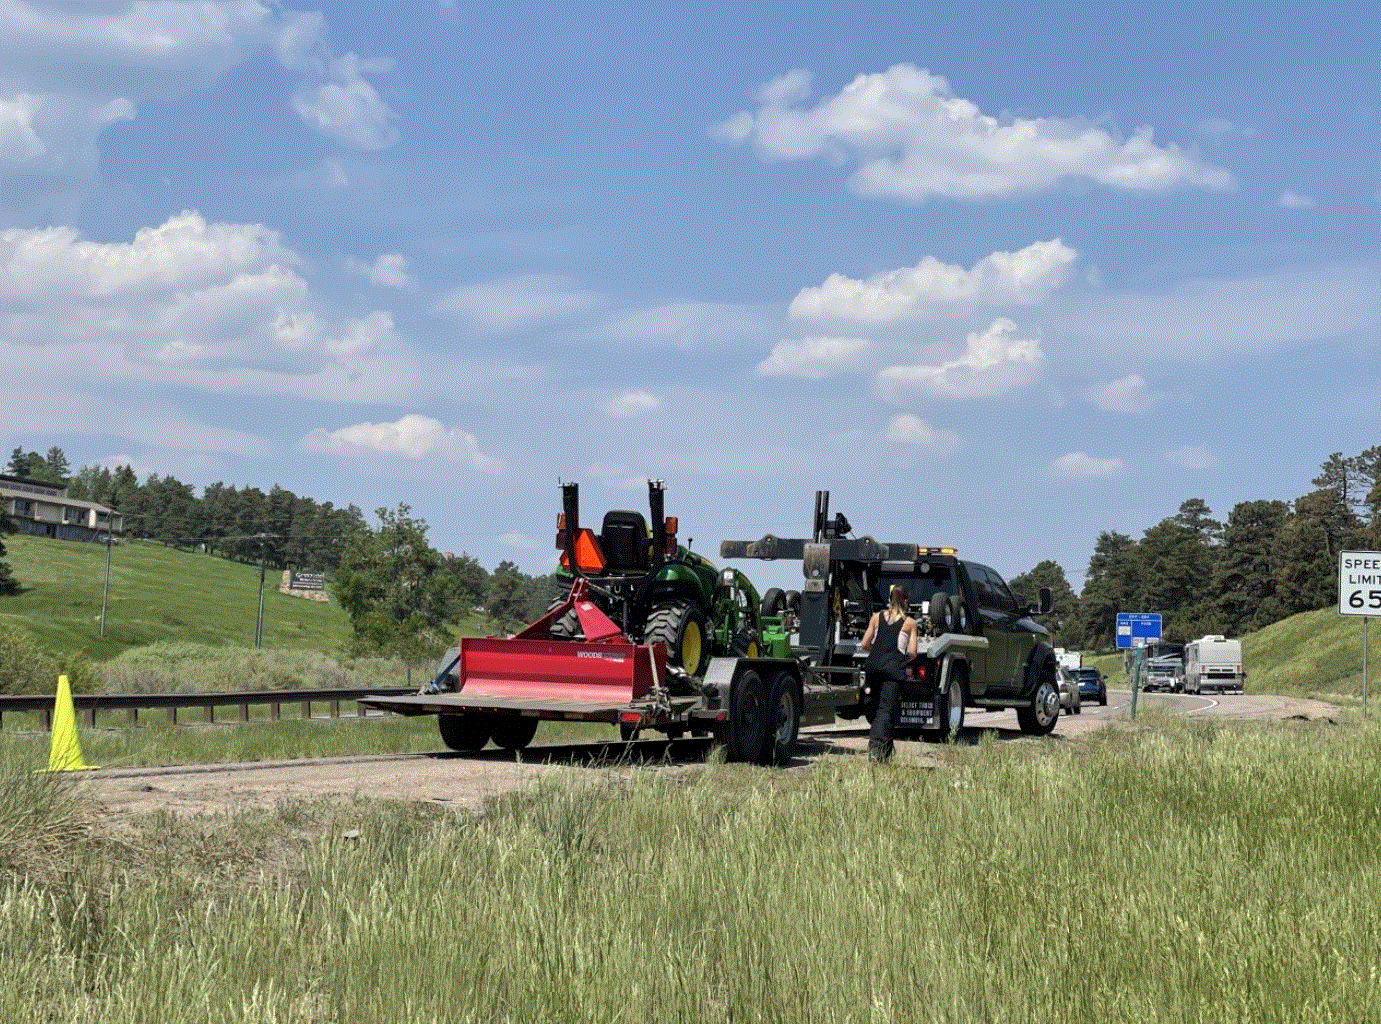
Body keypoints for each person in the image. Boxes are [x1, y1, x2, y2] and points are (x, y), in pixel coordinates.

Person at [857, 584, 918, 762]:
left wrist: (877, 653)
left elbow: (864, 644)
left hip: (873, 667)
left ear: (890, 599)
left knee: (875, 709)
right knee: (886, 710)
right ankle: (877, 750)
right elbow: (913, 652)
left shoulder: (876, 617)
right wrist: (899, 660)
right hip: (892, 671)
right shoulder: (909, 623)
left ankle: (886, 751)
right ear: (905, 601)